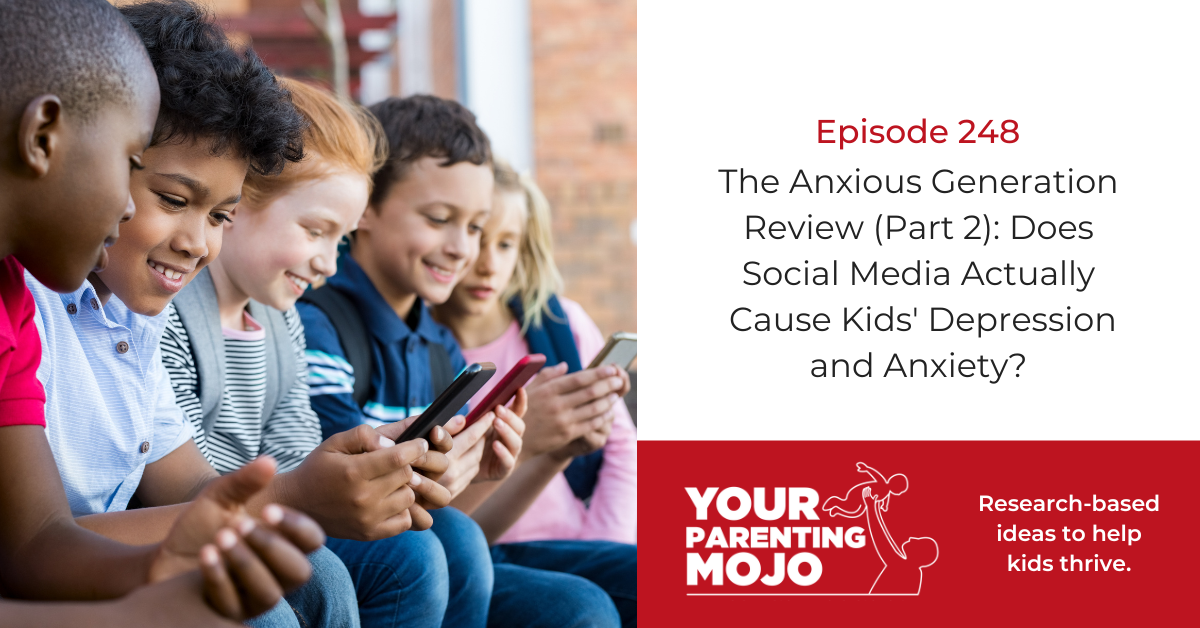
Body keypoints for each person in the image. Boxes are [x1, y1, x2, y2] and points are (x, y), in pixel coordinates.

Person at [25, 2, 355, 626]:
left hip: (91, 570)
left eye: (220, 216)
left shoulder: (133, 318)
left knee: (321, 574)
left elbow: (189, 487)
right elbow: (35, 544)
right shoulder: (32, 305)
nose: (197, 243)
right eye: (173, 200)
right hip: (59, 584)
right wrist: (293, 496)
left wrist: (328, 479)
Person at [159, 77, 511, 628]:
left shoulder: (281, 321)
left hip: (264, 512)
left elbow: (296, 450)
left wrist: (365, 460)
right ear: (239, 200)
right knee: (389, 563)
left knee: (449, 542)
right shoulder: (172, 312)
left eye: (338, 240)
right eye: (315, 231)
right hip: (193, 525)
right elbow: (178, 480)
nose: (328, 262)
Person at [299, 94, 620, 628]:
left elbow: (452, 522)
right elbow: (359, 501)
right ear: (365, 206)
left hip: (431, 552)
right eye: (439, 219)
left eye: (474, 227)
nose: (461, 248)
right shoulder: (319, 322)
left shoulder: (439, 345)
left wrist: (493, 469)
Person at [432, 159, 637, 626]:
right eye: (479, 239)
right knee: (580, 607)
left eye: (506, 244)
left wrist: (604, 546)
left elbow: (623, 449)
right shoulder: (424, 349)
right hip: (484, 547)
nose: (488, 264)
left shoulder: (560, 325)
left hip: (577, 541)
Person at [862, 486, 937, 594]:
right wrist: (876, 509)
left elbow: (881, 540)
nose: (912, 538)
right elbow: (888, 541)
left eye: (918, 541)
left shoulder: (904, 568)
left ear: (919, 554)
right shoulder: (911, 569)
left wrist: (870, 507)